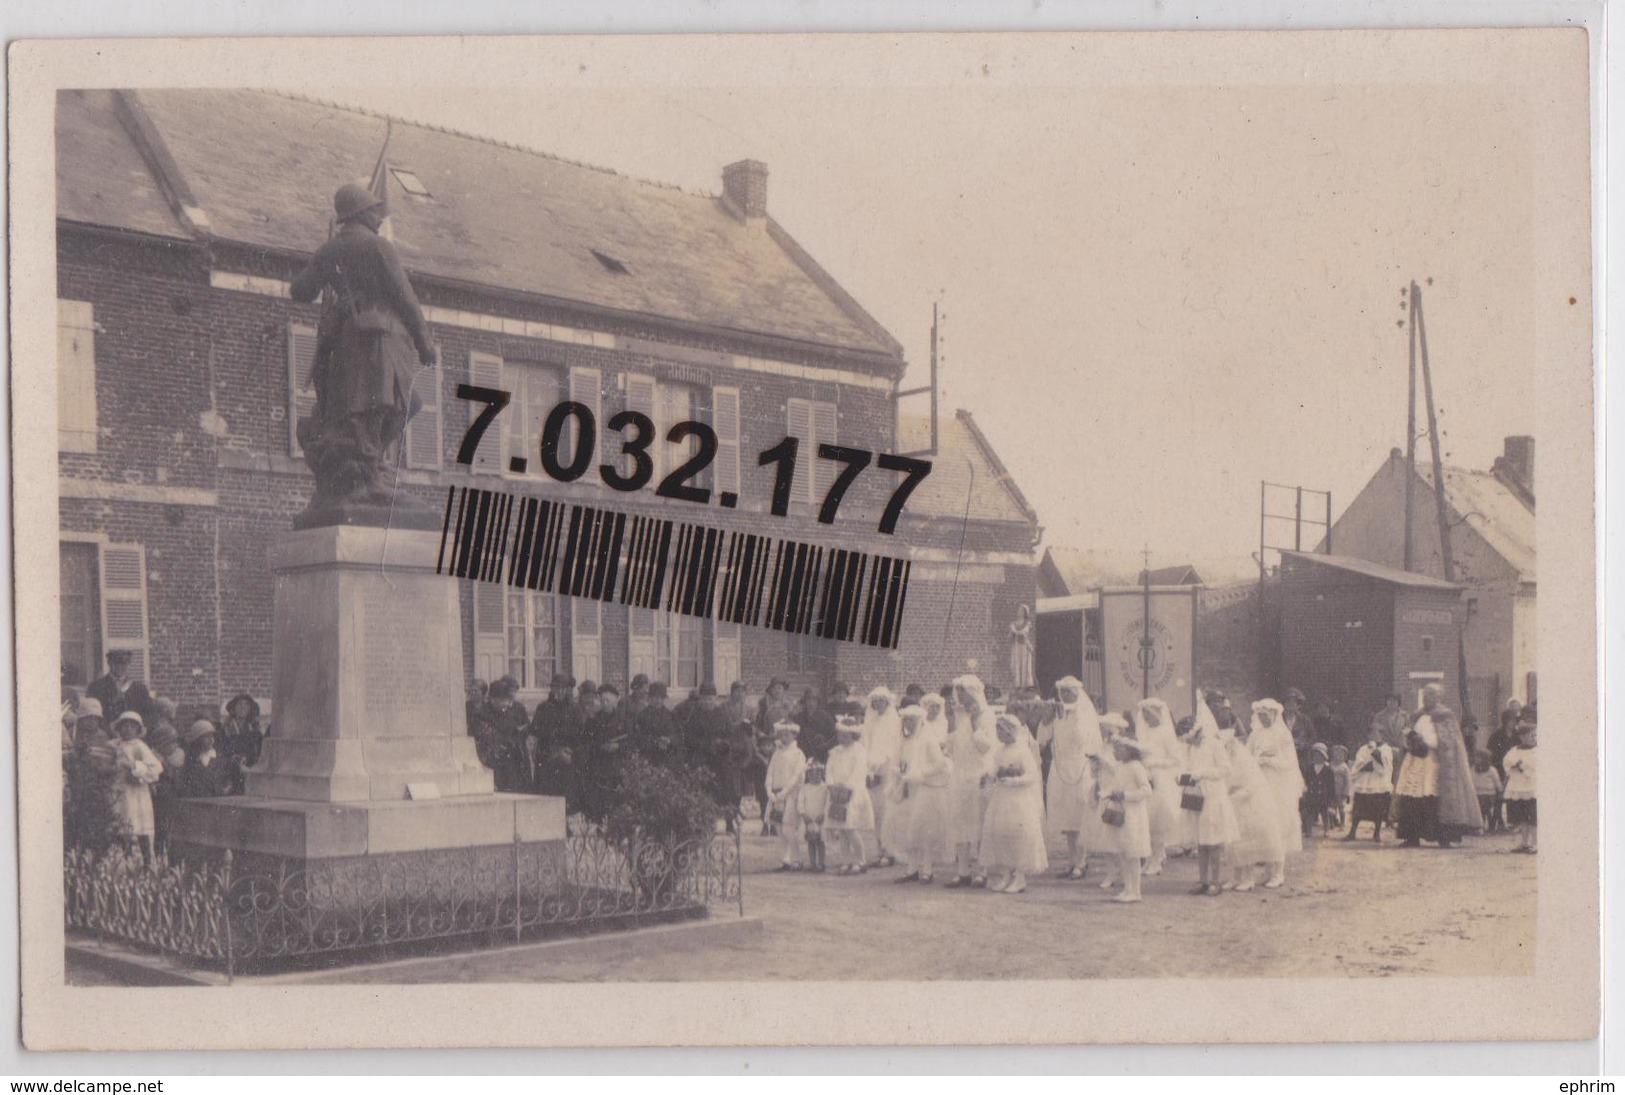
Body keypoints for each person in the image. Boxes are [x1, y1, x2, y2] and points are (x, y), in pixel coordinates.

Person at [289, 181, 437, 512]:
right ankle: (369, 474)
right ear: (363, 213)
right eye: (374, 210)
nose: (379, 215)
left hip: (342, 342)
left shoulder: (330, 250)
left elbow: (299, 290)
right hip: (378, 342)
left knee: (357, 410)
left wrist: (329, 270)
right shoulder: (377, 247)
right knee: (393, 404)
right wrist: (425, 342)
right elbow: (406, 298)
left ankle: (370, 470)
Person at [1038, 676, 1102, 880]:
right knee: (1067, 820)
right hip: (1060, 767)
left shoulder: (1083, 714)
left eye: (1068, 692)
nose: (1064, 696)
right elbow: (1042, 738)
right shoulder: (1058, 713)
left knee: (1079, 817)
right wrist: (1047, 719)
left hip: (1079, 767)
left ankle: (1082, 862)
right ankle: (1071, 860)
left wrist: (1073, 716)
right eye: (1062, 692)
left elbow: (1083, 739)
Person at [978, 713, 1048, 894]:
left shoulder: (1022, 750)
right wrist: (985, 788)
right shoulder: (999, 750)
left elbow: (1032, 775)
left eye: (1000, 729)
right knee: (1000, 833)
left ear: (1010, 731)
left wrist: (1015, 781)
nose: (997, 733)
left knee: (1018, 835)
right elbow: (993, 772)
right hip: (1001, 798)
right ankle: (1005, 874)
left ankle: (1020, 878)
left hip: (1018, 799)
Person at [1219, 705, 1281, 892]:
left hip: (1248, 804)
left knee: (1245, 841)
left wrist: (1235, 795)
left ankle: (1247, 878)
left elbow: (1251, 786)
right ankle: (1236, 875)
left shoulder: (1244, 760)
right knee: (1233, 843)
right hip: (1233, 804)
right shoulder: (1227, 760)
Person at [1180, 697, 1238, 896]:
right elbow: (1188, 767)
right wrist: (1183, 777)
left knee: (1212, 841)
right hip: (1197, 796)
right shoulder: (1192, 747)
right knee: (1201, 841)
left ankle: (1215, 881)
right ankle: (1202, 880)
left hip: (1213, 796)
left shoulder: (1214, 744)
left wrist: (1203, 773)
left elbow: (1225, 769)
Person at [944, 675, 997, 889]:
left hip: (982, 775)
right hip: (961, 775)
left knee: (982, 823)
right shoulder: (959, 716)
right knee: (961, 822)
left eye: (963, 693)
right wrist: (950, 725)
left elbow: (987, 747)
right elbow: (950, 749)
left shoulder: (987, 715)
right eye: (958, 693)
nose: (959, 697)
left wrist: (975, 725)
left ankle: (982, 871)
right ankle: (963, 871)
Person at [1248, 698, 1303, 886]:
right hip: (1259, 784)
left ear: (1273, 715)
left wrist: (1269, 761)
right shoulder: (1256, 734)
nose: (1263, 719)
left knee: (1278, 825)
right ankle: (1268, 870)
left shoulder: (1283, 735)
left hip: (1278, 785)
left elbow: (1289, 762)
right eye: (1260, 716)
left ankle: (1278, 873)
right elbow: (1247, 756)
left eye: (1265, 716)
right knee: (1263, 827)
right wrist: (1254, 761)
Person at [895, 703, 951, 884]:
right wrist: (899, 771)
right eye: (906, 720)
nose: (908, 724)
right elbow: (900, 761)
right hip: (908, 790)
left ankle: (927, 870)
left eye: (912, 720)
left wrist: (919, 773)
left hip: (925, 790)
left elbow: (939, 764)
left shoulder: (928, 739)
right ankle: (911, 869)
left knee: (926, 831)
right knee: (909, 830)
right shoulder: (904, 740)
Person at [1132, 697, 1183, 874]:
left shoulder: (1166, 733)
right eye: (1143, 714)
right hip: (1145, 778)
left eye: (1147, 714)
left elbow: (1176, 759)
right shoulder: (1144, 733)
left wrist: (1155, 763)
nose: (1144, 718)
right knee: (1147, 820)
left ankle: (1157, 859)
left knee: (1158, 819)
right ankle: (1149, 858)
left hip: (1161, 779)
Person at [1101, 735, 1153, 903]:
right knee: (1123, 852)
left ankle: (1136, 891)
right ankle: (1127, 888)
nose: (1115, 752)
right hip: (1121, 812)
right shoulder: (1121, 767)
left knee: (1133, 853)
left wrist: (1125, 795)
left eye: (1118, 749)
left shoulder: (1136, 767)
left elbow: (1146, 790)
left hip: (1134, 815)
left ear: (1129, 751)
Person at [823, 716, 876, 874]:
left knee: (850, 828)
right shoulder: (835, 752)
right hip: (836, 793)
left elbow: (858, 771)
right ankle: (846, 861)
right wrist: (831, 784)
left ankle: (860, 860)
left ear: (854, 735)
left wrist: (846, 787)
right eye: (840, 735)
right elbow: (829, 769)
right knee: (841, 829)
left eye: (846, 736)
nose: (842, 739)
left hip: (852, 793)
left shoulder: (859, 751)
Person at [109, 712, 163, 858]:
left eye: (131, 726)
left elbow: (155, 768)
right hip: (118, 790)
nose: (127, 729)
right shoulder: (114, 745)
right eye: (124, 726)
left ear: (138, 730)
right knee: (120, 824)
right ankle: (123, 860)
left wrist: (135, 768)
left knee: (139, 825)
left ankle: (147, 861)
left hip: (135, 793)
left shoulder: (140, 747)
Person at [861, 686, 903, 867]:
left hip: (887, 770)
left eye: (881, 701)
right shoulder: (870, 721)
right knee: (876, 813)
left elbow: (893, 746)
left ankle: (890, 851)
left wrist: (880, 765)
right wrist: (868, 769)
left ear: (888, 702)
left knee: (887, 812)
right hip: (872, 770)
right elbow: (865, 745)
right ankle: (879, 849)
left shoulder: (894, 720)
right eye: (875, 701)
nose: (878, 704)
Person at [530, 674, 583, 802]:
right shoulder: (543, 708)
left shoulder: (575, 709)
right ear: (552, 689)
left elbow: (580, 733)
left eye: (563, 688)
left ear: (568, 690)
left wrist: (570, 752)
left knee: (566, 794)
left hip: (567, 756)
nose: (559, 691)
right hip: (547, 755)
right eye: (556, 688)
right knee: (546, 794)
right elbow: (535, 729)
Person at [765, 720, 808, 870]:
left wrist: (785, 792)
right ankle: (785, 859)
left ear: (794, 735)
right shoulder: (777, 753)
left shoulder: (798, 754)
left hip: (790, 795)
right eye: (781, 735)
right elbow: (770, 772)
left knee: (788, 828)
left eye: (787, 735)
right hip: (776, 795)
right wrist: (769, 790)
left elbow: (797, 776)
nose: (784, 738)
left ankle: (797, 859)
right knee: (778, 828)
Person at [480, 677, 531, 793]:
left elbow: (516, 731)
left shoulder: (508, 713)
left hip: (511, 764)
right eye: (503, 700)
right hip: (493, 763)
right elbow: (488, 737)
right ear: (493, 700)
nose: (507, 704)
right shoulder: (483, 714)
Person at [1345, 727, 1394, 842]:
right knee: (1359, 807)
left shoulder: (1386, 749)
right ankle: (1352, 831)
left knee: (1378, 809)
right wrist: (1364, 766)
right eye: (1371, 734)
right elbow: (1358, 763)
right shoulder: (1363, 748)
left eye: (1376, 734)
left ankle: (1376, 833)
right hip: (1365, 780)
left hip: (1378, 782)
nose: (1373, 736)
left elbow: (1385, 765)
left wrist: (1375, 751)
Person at [86, 650, 153, 729]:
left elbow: (148, 714)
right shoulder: (95, 687)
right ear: (109, 664)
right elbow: (91, 714)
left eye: (124, 664)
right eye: (116, 664)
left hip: (132, 733)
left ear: (128, 664)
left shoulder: (139, 688)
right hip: (105, 733)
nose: (120, 667)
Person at [1501, 715, 1536, 853]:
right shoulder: (1514, 750)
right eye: (1531, 735)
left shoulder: (1537, 751)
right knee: (1521, 818)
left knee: (1533, 817)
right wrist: (1513, 765)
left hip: (1531, 787)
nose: (1534, 738)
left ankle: (1535, 843)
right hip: (1517, 787)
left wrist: (1524, 767)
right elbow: (1507, 762)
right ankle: (1524, 842)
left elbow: (1536, 767)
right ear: (1522, 737)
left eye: (1535, 735)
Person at [175, 719, 234, 799]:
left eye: (212, 736)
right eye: (206, 736)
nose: (211, 740)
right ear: (197, 739)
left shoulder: (221, 759)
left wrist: (226, 788)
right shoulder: (191, 760)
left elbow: (228, 780)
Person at [633, 681, 679, 764]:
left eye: (661, 698)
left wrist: (669, 740)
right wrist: (656, 743)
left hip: (667, 758)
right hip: (647, 759)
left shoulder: (670, 715)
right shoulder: (642, 716)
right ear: (649, 698)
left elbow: (677, 735)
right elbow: (637, 737)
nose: (658, 701)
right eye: (655, 697)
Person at [797, 763, 830, 873]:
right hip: (809, 819)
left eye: (818, 773)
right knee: (811, 841)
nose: (815, 776)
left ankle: (821, 863)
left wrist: (824, 814)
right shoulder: (805, 788)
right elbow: (800, 802)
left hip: (821, 819)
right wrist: (803, 814)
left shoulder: (825, 788)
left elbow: (828, 803)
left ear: (822, 774)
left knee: (821, 841)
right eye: (811, 774)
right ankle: (812, 863)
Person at [1299, 743, 1337, 838]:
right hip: (1312, 795)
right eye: (1315, 755)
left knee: (1325, 814)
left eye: (1320, 755)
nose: (1317, 757)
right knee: (1309, 814)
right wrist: (1304, 789)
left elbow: (1331, 786)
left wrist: (1331, 800)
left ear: (1324, 757)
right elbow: (1305, 780)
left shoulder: (1328, 770)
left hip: (1323, 796)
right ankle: (1308, 830)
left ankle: (1326, 830)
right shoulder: (1309, 768)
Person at [1371, 694, 1409, 785]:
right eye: (1389, 700)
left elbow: (1408, 732)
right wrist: (1385, 746)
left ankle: (1396, 795)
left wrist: (1403, 746)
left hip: (1400, 750)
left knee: (1399, 775)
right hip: (1385, 749)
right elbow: (1376, 733)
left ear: (1398, 703)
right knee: (1386, 775)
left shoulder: (1404, 716)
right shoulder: (1379, 716)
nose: (1392, 703)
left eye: (1394, 701)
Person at [793, 688, 838, 765]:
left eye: (814, 700)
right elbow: (794, 735)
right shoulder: (800, 717)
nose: (811, 703)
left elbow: (834, 736)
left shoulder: (825, 716)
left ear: (818, 702)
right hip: (803, 754)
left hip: (821, 755)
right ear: (805, 702)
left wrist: (825, 745)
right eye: (808, 700)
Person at [1473, 750, 1505, 835]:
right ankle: (1478, 826)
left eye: (1478, 757)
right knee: (1476, 804)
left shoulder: (1492, 770)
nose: (1476, 759)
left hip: (1489, 795)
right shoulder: (1472, 769)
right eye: (1475, 757)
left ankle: (1481, 827)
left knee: (1482, 804)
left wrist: (1500, 790)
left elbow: (1497, 782)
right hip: (1476, 794)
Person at [1008, 604, 1036, 691]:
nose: (1019, 612)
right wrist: (1011, 633)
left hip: (1024, 646)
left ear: (1025, 613)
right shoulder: (1014, 623)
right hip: (1016, 646)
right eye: (1018, 610)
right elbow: (1009, 636)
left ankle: (1024, 685)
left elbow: (1023, 632)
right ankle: (1017, 685)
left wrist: (1014, 630)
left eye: (1021, 611)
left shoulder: (1027, 623)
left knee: (1024, 664)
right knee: (1016, 664)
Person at [1329, 744, 1352, 830]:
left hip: (1341, 791)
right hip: (1331, 790)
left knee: (1341, 807)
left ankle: (1342, 823)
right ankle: (1331, 823)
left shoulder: (1344, 768)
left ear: (1344, 757)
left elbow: (1347, 781)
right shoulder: (1330, 765)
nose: (1337, 757)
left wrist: (1346, 792)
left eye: (1340, 755)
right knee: (1331, 807)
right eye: (1335, 754)